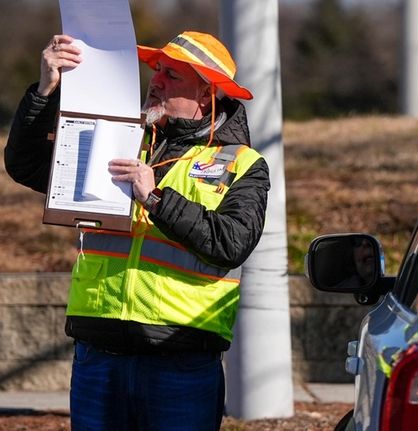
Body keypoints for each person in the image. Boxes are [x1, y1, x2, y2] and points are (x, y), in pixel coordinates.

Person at [4, 31, 270, 430]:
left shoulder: (242, 164)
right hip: (99, 354)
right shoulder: (119, 140)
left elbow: (231, 243)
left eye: (173, 76)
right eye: (157, 70)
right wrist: (46, 89)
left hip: (181, 360)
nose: (156, 81)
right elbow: (26, 164)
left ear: (206, 94)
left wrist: (157, 199)